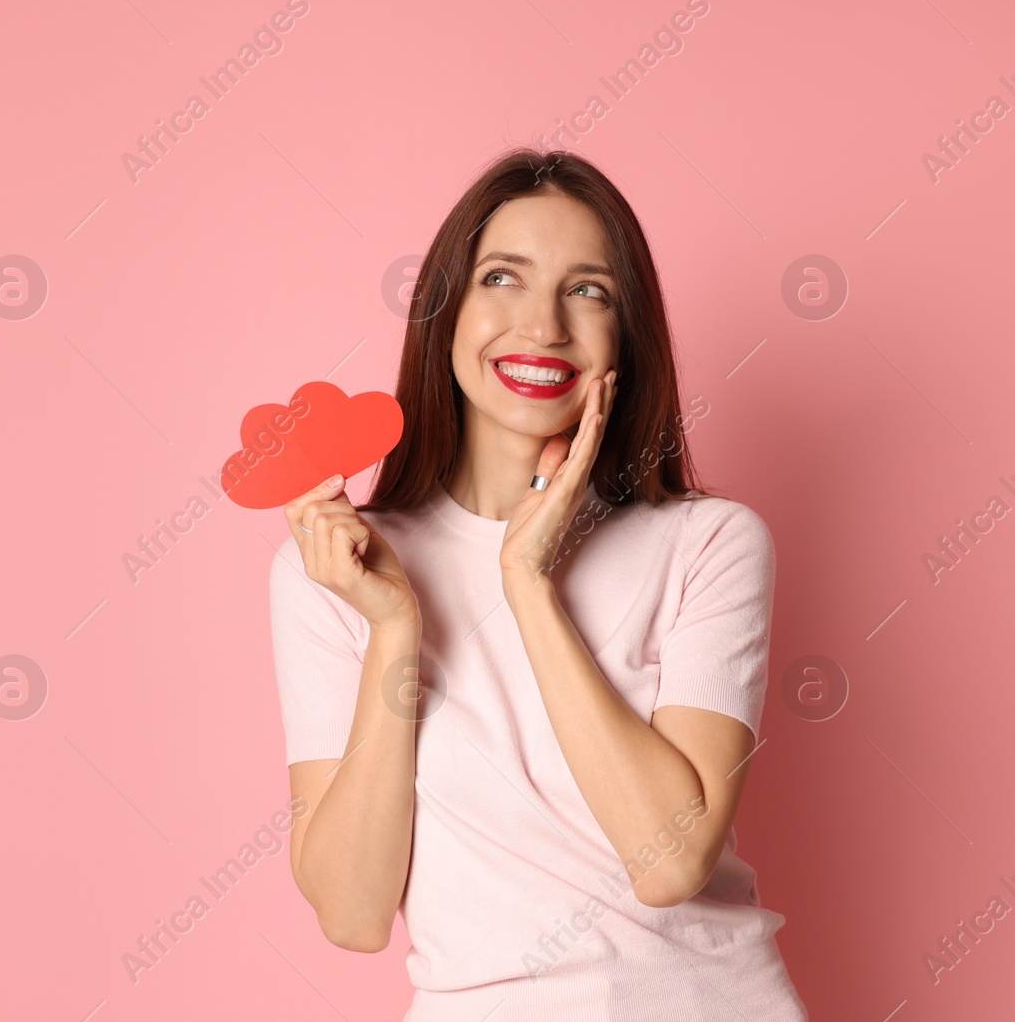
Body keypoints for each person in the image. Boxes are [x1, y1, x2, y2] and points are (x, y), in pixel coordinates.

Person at [269, 149, 807, 1020]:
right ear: (445, 313)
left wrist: (527, 582)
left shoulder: (710, 544)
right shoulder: (334, 568)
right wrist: (395, 630)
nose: (544, 325)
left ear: (624, 336)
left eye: (587, 290)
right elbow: (354, 911)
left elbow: (670, 863)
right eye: (503, 278)